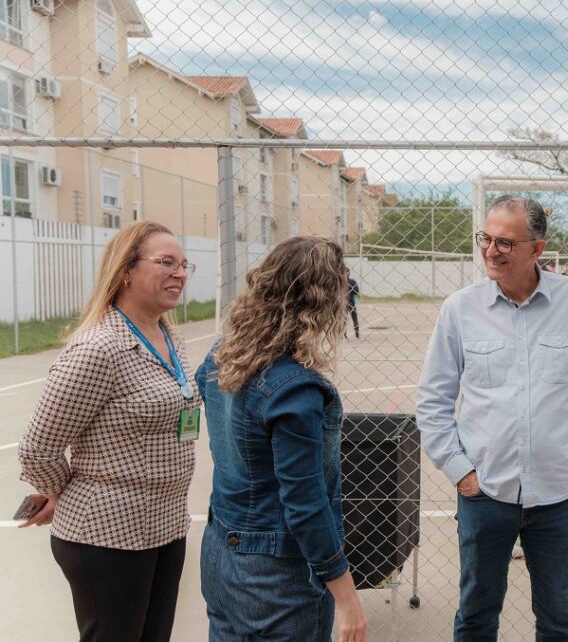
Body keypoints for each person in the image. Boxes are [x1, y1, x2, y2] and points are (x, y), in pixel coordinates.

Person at [416, 196, 568, 642]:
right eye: (485, 238)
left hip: (561, 497)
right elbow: (432, 401)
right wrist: (461, 473)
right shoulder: (460, 310)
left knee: (560, 621)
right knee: (476, 617)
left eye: (505, 242)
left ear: (537, 249)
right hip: (485, 495)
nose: (490, 251)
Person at [17, 220, 198, 642]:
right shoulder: (99, 349)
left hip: (165, 526)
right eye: (166, 263)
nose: (181, 273)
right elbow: (37, 448)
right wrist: (63, 493)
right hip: (106, 533)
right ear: (126, 271)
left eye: (185, 264)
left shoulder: (169, 336)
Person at [196, 236, 366, 642]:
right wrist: (346, 595)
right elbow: (304, 502)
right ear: (323, 301)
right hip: (275, 575)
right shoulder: (294, 389)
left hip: (222, 550)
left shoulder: (222, 356)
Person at [345, 271, 360, 339]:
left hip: (343, 303)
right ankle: (357, 335)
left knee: (343, 320)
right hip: (351, 302)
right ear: (349, 273)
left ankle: (344, 335)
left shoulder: (340, 281)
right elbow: (356, 292)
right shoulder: (352, 281)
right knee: (354, 319)